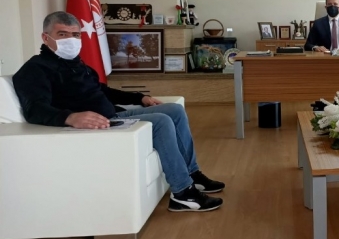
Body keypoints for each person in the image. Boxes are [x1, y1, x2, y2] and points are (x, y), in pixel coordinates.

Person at [12, 11, 225, 212]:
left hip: (113, 115)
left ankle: (192, 173)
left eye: (76, 35)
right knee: (161, 121)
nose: (71, 40)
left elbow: (102, 91)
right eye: (63, 34)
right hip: (97, 124)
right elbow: (34, 109)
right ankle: (182, 193)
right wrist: (70, 117)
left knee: (175, 110)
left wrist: (139, 98)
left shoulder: (78, 65)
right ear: (46, 37)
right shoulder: (34, 69)